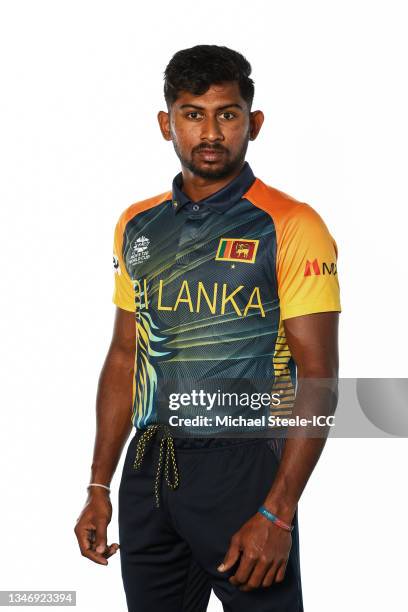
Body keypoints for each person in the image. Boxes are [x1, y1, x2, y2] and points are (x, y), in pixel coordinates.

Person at [74, 44, 341, 612]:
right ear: (167, 123)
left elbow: (318, 378)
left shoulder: (290, 224)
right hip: (148, 468)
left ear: (255, 123)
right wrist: (99, 485)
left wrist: (278, 511)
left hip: (242, 469)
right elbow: (126, 354)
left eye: (228, 113)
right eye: (194, 114)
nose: (212, 131)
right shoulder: (137, 223)